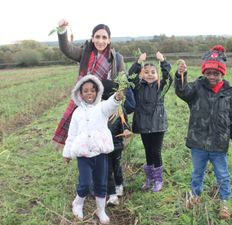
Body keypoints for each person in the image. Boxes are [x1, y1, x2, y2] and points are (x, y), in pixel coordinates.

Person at [174, 45, 232, 219]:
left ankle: (225, 202)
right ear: (204, 73)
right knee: (197, 173)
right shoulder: (197, 87)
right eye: (209, 73)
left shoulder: (229, 93)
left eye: (216, 73)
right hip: (198, 143)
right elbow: (182, 92)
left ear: (222, 74)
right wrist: (181, 75)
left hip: (219, 144)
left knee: (223, 175)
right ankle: (195, 196)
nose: (212, 76)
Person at [53, 18, 125, 145]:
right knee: (85, 139)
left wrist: (115, 106)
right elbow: (66, 49)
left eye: (104, 37)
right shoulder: (84, 53)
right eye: (97, 37)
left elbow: (122, 84)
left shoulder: (117, 59)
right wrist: (62, 30)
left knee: (103, 140)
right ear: (92, 38)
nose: (100, 41)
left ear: (109, 40)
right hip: (84, 105)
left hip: (104, 106)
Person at [63, 75, 124, 224]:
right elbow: (71, 134)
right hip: (84, 155)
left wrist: (116, 98)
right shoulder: (77, 113)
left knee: (101, 183)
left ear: (97, 92)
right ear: (80, 93)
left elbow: (111, 105)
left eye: (92, 90)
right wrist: (67, 152)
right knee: (84, 182)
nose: (89, 93)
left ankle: (100, 210)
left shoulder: (101, 107)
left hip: (100, 153)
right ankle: (78, 203)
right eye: (85, 91)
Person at [128, 51, 172, 192]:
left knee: (156, 151)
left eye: (153, 72)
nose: (150, 74)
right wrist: (138, 63)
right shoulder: (138, 87)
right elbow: (130, 77)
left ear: (157, 74)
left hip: (158, 125)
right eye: (146, 72)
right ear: (141, 74)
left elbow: (168, 78)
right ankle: (150, 178)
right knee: (148, 150)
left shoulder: (161, 87)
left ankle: (158, 179)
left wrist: (163, 61)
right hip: (143, 123)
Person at [100, 80, 134, 206]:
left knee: (116, 167)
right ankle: (112, 195)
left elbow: (125, 125)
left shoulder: (120, 110)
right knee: (107, 170)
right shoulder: (98, 111)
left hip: (116, 145)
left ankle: (119, 185)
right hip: (103, 146)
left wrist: (126, 130)